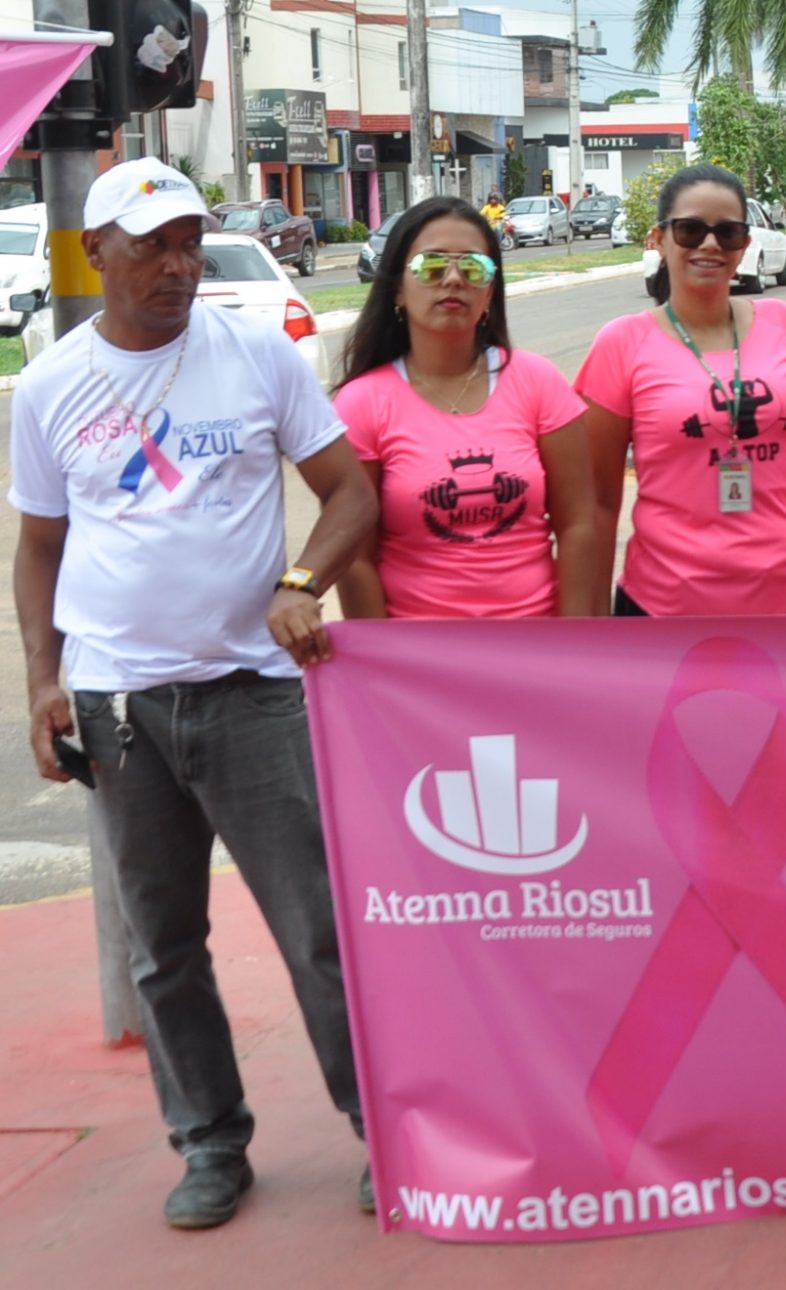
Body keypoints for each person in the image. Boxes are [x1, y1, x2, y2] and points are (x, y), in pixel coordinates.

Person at [7, 158, 380, 1227]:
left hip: (253, 694)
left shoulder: (257, 355)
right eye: (152, 248)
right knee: (162, 946)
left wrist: (301, 583)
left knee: (317, 928)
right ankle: (209, 1143)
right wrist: (44, 680)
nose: (177, 267)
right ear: (95, 253)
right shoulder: (50, 386)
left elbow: (350, 494)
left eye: (188, 245)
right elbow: (40, 548)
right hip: (120, 710)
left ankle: (381, 1122)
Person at [575, 164, 786, 616]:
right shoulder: (622, 343)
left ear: (744, 245)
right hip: (661, 615)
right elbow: (599, 503)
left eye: (727, 233)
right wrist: (594, 622)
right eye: (690, 230)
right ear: (659, 239)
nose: (709, 244)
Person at [332, 196, 603, 619]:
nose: (454, 279)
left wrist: (573, 639)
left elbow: (578, 525)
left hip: (536, 642)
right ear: (398, 289)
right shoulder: (362, 403)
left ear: (490, 291)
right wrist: (379, 652)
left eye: (474, 267)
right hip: (418, 651)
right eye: (431, 266)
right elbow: (356, 559)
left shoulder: (538, 382)